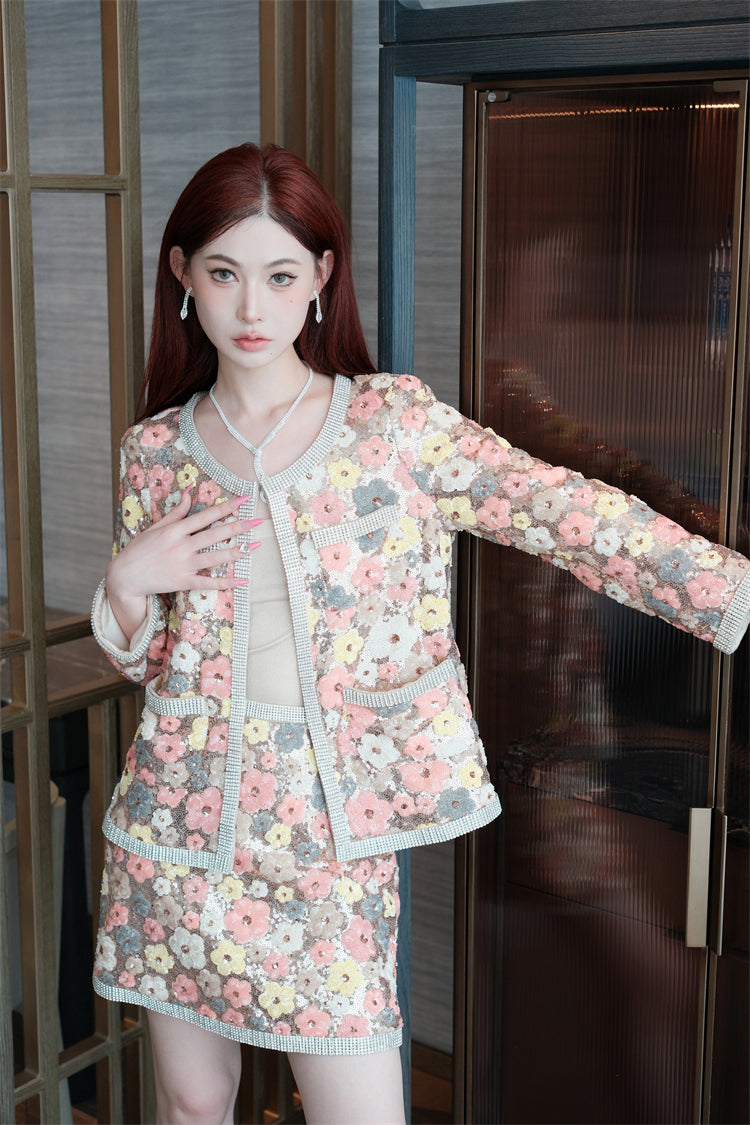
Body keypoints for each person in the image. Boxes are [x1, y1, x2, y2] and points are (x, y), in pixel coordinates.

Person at [91, 142, 750, 1125]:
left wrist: (730, 592)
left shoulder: (391, 426)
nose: (252, 307)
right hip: (177, 827)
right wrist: (126, 584)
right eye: (224, 274)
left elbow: (558, 509)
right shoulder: (155, 453)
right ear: (183, 275)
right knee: (190, 1102)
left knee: (360, 1111)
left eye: (280, 275)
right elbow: (155, 665)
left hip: (329, 831)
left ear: (322, 276)